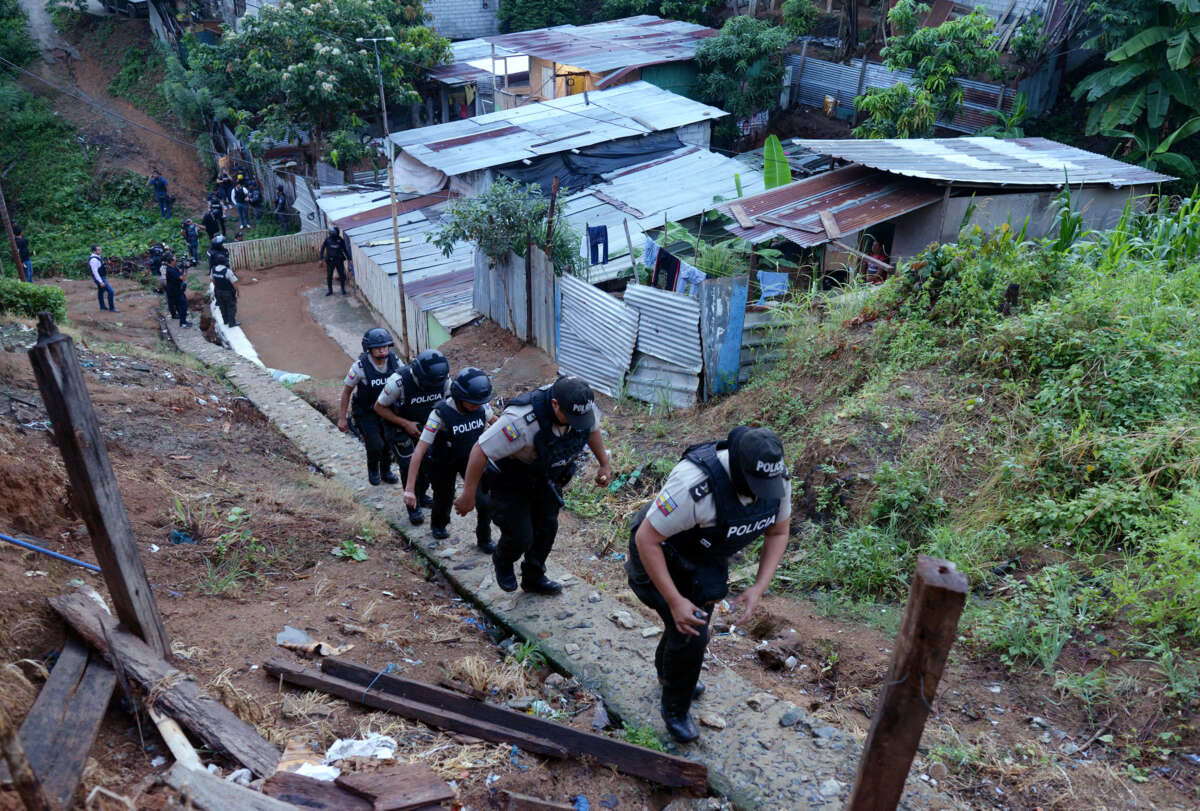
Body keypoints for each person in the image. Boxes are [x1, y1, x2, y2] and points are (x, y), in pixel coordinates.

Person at [626, 426, 791, 743]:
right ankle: (675, 709)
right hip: (659, 550)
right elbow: (647, 539)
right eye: (754, 486)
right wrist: (674, 600)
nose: (760, 493)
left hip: (704, 556)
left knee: (688, 629)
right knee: (691, 631)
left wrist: (758, 586)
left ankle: (670, 672)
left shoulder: (777, 479)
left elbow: (778, 532)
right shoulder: (694, 486)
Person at [456, 376, 611, 595]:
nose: (577, 421)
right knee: (520, 536)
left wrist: (604, 463)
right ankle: (503, 559)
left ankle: (533, 577)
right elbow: (480, 450)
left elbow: (591, 430)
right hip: (511, 481)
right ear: (555, 404)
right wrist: (468, 495)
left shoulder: (580, 407)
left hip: (546, 479)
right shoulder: (520, 421)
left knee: (547, 529)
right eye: (570, 417)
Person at [403, 367, 494, 546]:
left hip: (471, 459)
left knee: (485, 500)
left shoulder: (481, 405)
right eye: (472, 402)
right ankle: (439, 524)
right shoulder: (439, 414)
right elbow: (420, 450)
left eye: (479, 402)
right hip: (443, 461)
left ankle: (484, 537)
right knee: (444, 496)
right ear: (460, 397)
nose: (476, 405)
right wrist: (409, 488)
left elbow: (497, 423)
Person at [373, 349, 451, 525]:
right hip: (398, 426)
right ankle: (412, 505)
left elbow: (448, 402)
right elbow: (379, 407)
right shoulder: (398, 382)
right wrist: (405, 424)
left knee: (428, 464)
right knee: (408, 465)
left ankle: (421, 495)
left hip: (427, 426)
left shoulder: (444, 380)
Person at [337, 328, 400, 486]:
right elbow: (346, 393)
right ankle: (373, 469)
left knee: (388, 442)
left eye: (385, 346)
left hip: (387, 411)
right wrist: (342, 418)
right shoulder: (360, 367)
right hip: (366, 412)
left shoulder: (394, 361)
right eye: (378, 347)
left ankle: (386, 471)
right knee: (375, 444)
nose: (382, 350)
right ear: (369, 348)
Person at [320, 225, 349, 296]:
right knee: (329, 276)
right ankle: (330, 291)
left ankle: (343, 289)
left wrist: (349, 258)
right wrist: (321, 259)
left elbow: (345, 249)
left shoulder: (340, 240)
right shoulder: (327, 240)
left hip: (339, 260)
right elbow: (322, 249)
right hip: (330, 261)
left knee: (342, 275)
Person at [163, 253, 190, 327]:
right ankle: (183, 323)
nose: (176, 261)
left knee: (182, 306)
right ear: (171, 261)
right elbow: (183, 278)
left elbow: (181, 274)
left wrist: (184, 268)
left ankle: (183, 321)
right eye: (175, 260)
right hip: (175, 291)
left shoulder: (174, 267)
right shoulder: (170, 270)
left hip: (176, 290)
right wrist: (186, 268)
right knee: (183, 305)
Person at [210, 263, 239, 327]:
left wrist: (216, 287)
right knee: (231, 307)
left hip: (218, 292)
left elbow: (212, 280)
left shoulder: (213, 270)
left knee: (222, 306)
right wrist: (237, 292)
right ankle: (232, 323)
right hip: (227, 292)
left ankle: (225, 321)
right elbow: (234, 283)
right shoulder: (227, 271)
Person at [88, 245, 116, 312]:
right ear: (94, 251)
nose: (100, 251)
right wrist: (100, 281)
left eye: (100, 249)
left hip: (101, 277)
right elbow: (95, 272)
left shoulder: (97, 257)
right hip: (99, 278)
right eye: (98, 250)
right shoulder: (94, 260)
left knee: (101, 291)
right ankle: (112, 308)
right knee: (111, 291)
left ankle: (102, 307)